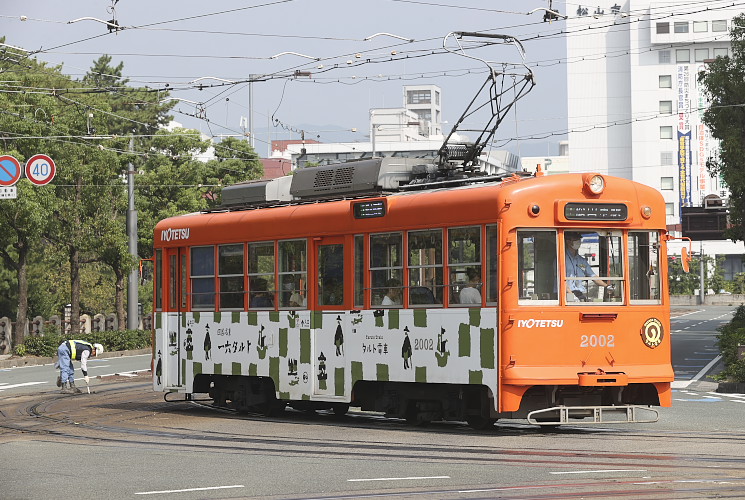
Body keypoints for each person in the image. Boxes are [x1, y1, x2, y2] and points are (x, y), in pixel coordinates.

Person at [565, 232, 610, 301]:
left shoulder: (581, 260)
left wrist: (607, 286)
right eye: (576, 239)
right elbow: (561, 281)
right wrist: (571, 297)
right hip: (565, 294)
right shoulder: (562, 259)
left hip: (579, 294)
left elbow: (593, 276)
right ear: (568, 242)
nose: (578, 241)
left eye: (579, 239)